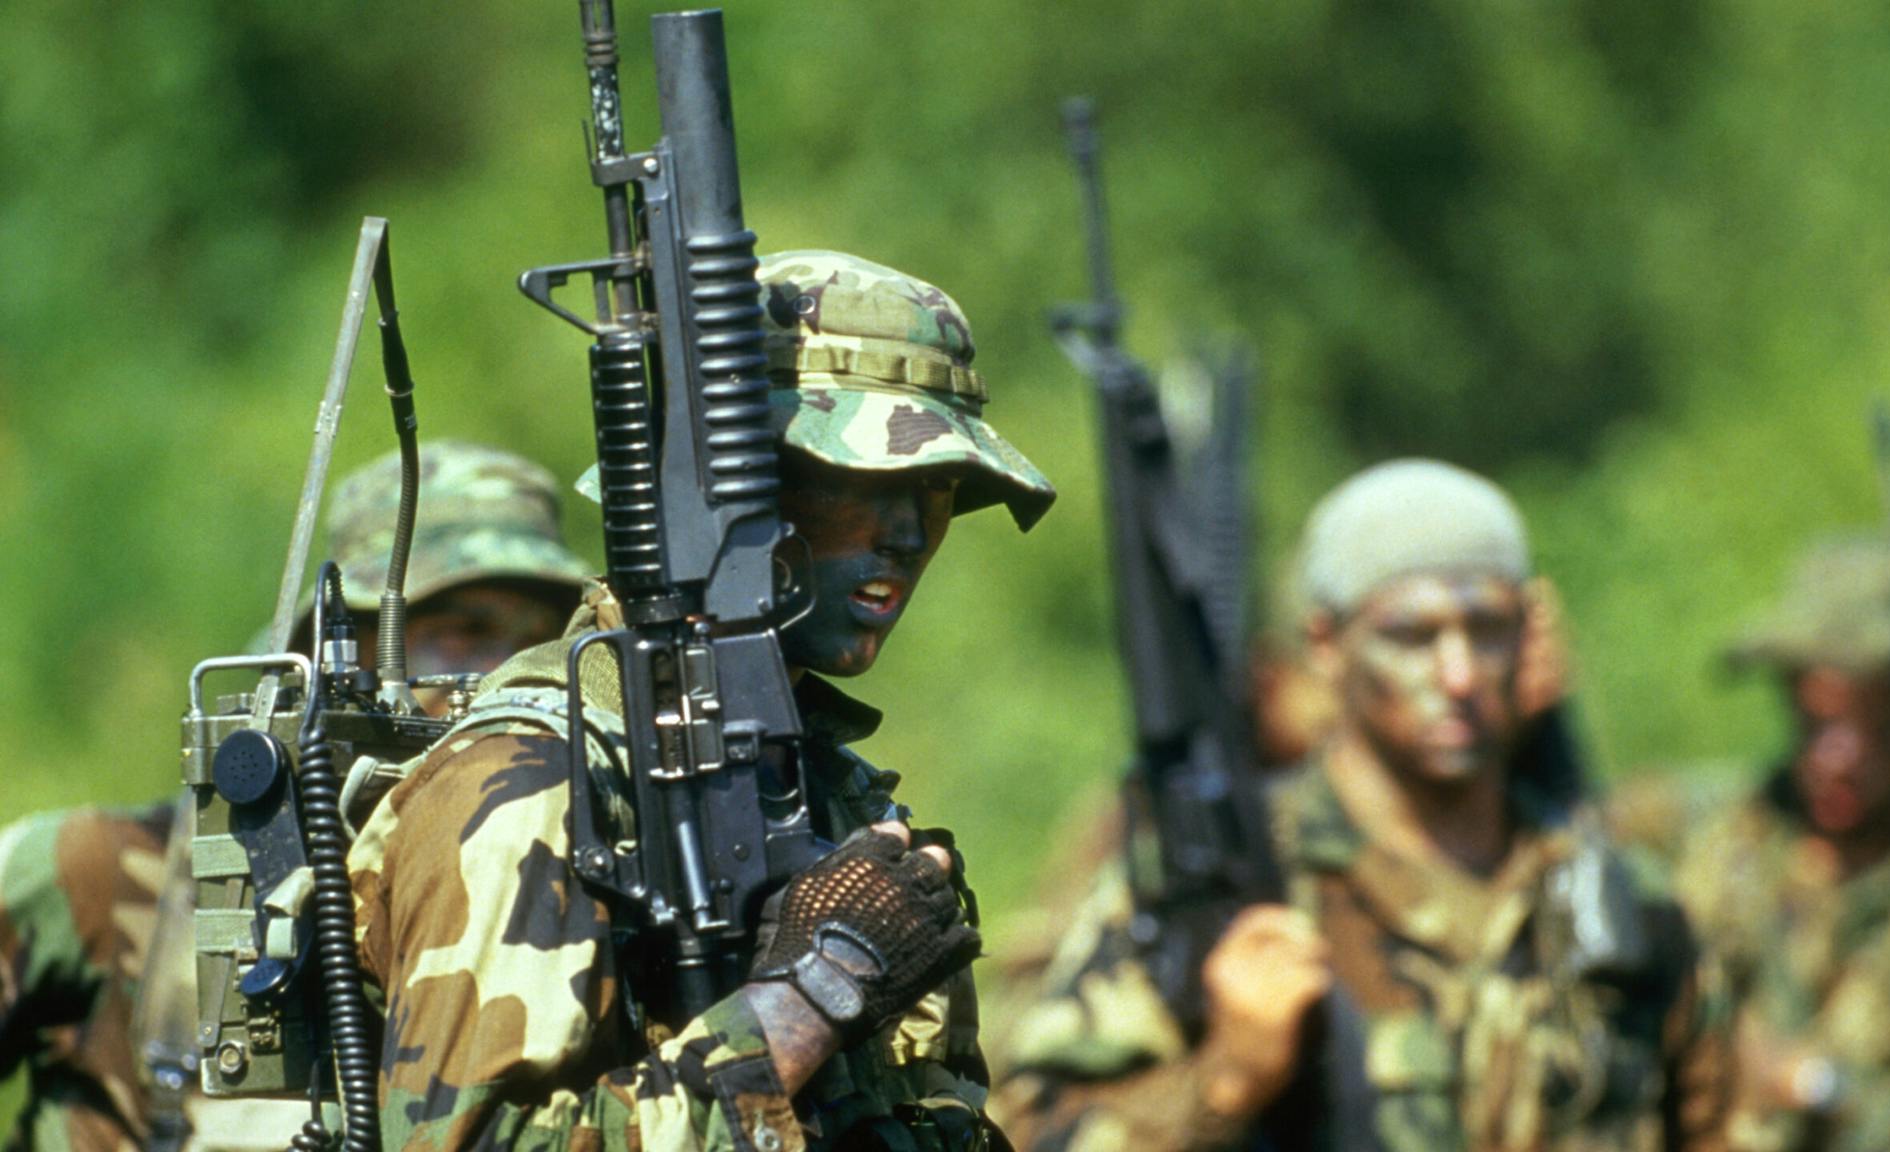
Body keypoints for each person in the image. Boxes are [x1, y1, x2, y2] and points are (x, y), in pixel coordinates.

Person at [345, 250, 1055, 1152]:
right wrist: (805, 1002)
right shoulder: (526, 787)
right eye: (868, 482)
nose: (911, 533)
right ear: (732, 489)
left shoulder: (835, 803)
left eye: (939, 487)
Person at [995, 458, 1730, 1152]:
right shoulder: (1229, 887)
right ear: (1326, 644)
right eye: (1412, 636)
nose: (1459, 673)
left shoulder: (1625, 903)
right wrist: (1224, 1079)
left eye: (1488, 630)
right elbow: (1027, 1132)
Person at [0, 441, 592, 1152]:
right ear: (351, 659)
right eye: (457, 636)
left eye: (535, 645)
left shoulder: (556, 890)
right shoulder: (109, 871)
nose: (504, 679)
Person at [1671, 536, 1890, 1152]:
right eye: (1817, 726)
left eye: (1870, 727)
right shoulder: (1724, 841)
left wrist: (1816, 1085)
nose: (1838, 761)